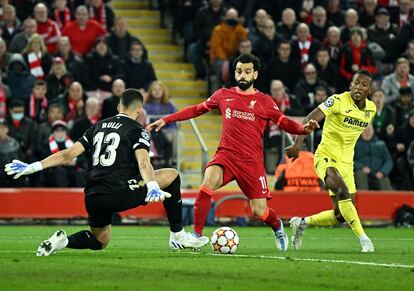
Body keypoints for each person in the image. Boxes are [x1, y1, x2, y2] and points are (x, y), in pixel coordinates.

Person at [4, 88, 209, 256]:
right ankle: (177, 235)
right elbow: (144, 162)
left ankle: (63, 241)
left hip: (93, 195)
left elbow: (67, 154)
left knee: (101, 239)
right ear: (139, 110)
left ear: (119, 106)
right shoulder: (138, 130)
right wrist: (152, 185)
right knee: (172, 174)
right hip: (116, 192)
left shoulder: (97, 126)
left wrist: (33, 166)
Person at [147, 53, 319, 252]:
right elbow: (196, 109)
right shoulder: (223, 95)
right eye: (239, 71)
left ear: (255, 75)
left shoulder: (264, 101)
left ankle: (277, 225)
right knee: (207, 182)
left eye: (247, 71)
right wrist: (166, 120)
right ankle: (196, 235)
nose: (242, 75)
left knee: (259, 211)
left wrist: (302, 129)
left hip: (252, 163)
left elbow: (283, 122)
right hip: (226, 156)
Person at [286, 70, 376, 253]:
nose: (359, 87)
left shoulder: (371, 110)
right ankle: (364, 239)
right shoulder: (337, 100)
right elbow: (309, 118)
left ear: (370, 90)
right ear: (350, 85)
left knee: (341, 215)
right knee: (341, 190)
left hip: (347, 163)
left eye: (364, 85)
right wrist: (297, 145)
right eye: (356, 83)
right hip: (326, 156)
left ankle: (303, 223)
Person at [354, 124, 393, 190]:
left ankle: (390, 200)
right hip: (361, 173)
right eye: (365, 130)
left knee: (384, 180)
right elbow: (349, 161)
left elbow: (389, 161)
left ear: (373, 131)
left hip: (378, 172)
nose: (367, 132)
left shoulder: (381, 144)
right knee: (360, 176)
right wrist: (361, 167)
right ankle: (364, 199)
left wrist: (382, 172)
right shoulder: (355, 144)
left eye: (369, 130)